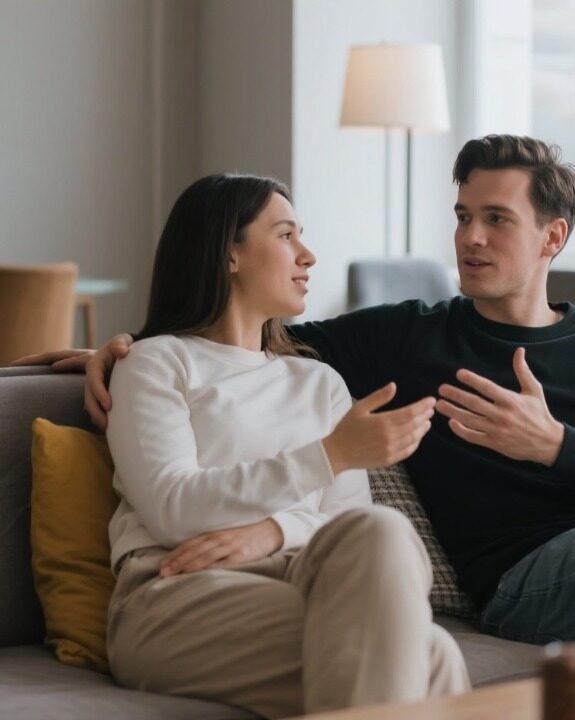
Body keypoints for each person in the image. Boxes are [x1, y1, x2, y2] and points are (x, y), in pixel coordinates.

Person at [21, 135, 575, 661]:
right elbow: (237, 341)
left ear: (552, 238)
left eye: (497, 220)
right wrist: (116, 347)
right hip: (529, 591)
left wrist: (555, 445)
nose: (470, 238)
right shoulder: (407, 337)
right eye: (464, 217)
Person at [37, 174, 471, 717]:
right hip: (178, 593)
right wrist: (330, 455)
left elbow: (345, 524)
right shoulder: (156, 362)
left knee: (383, 530)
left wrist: (271, 532)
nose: (308, 255)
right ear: (230, 255)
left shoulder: (319, 382)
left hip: (305, 578)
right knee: (431, 658)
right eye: (286, 235)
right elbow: (173, 507)